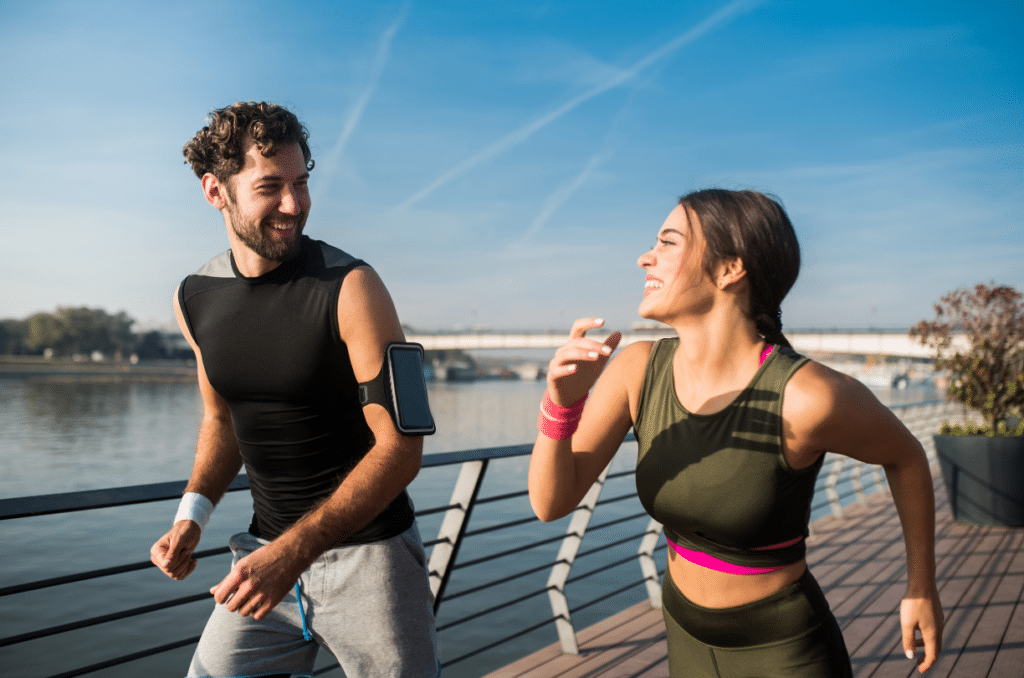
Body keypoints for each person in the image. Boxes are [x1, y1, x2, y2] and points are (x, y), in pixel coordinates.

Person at [528, 189, 943, 677]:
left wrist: (921, 586)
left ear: (730, 270)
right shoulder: (638, 370)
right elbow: (549, 503)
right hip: (684, 638)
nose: (645, 257)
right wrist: (562, 403)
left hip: (785, 653)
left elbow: (907, 457)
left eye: (667, 242)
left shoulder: (808, 396)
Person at [149, 101, 439, 678]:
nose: (293, 205)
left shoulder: (353, 286)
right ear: (216, 191)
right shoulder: (194, 298)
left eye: (301, 183)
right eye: (270, 187)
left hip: (372, 564)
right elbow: (221, 420)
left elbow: (402, 447)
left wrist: (292, 552)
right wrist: (192, 515)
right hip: (263, 563)